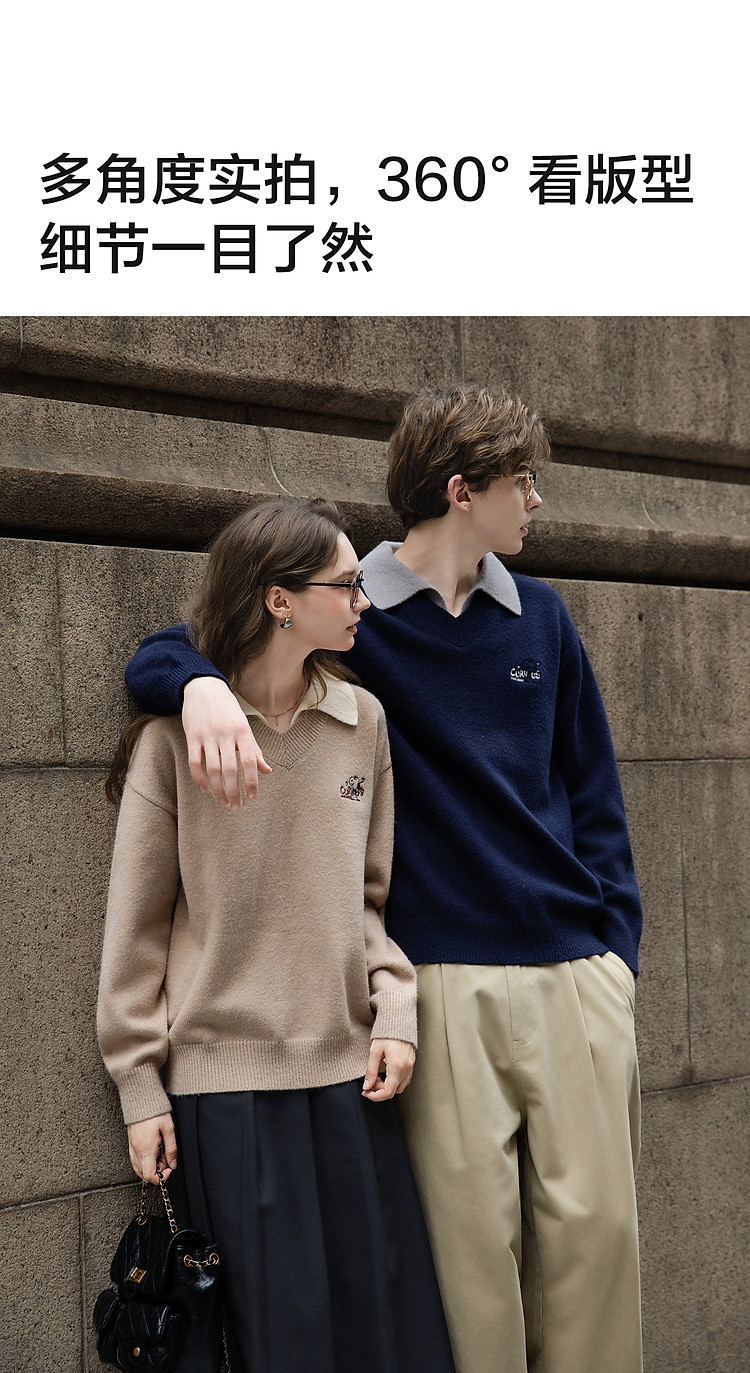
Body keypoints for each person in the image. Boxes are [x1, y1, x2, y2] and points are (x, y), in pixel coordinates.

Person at [124, 388, 644, 1373]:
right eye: (523, 482)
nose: (537, 500)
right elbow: (183, 639)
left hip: (574, 975)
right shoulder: (352, 607)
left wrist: (617, 956)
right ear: (461, 490)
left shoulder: (543, 616)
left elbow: (596, 797)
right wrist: (196, 685)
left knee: (600, 1257)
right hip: (438, 985)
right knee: (470, 1280)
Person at [99, 497, 455, 1373]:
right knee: (283, 1346)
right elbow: (135, 931)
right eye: (346, 583)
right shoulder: (173, 742)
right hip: (229, 1097)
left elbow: (367, 899)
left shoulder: (362, 723)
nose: (364, 600)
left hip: (353, 1084)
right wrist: (140, 1087)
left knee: (387, 1339)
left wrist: (394, 1010)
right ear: (279, 600)